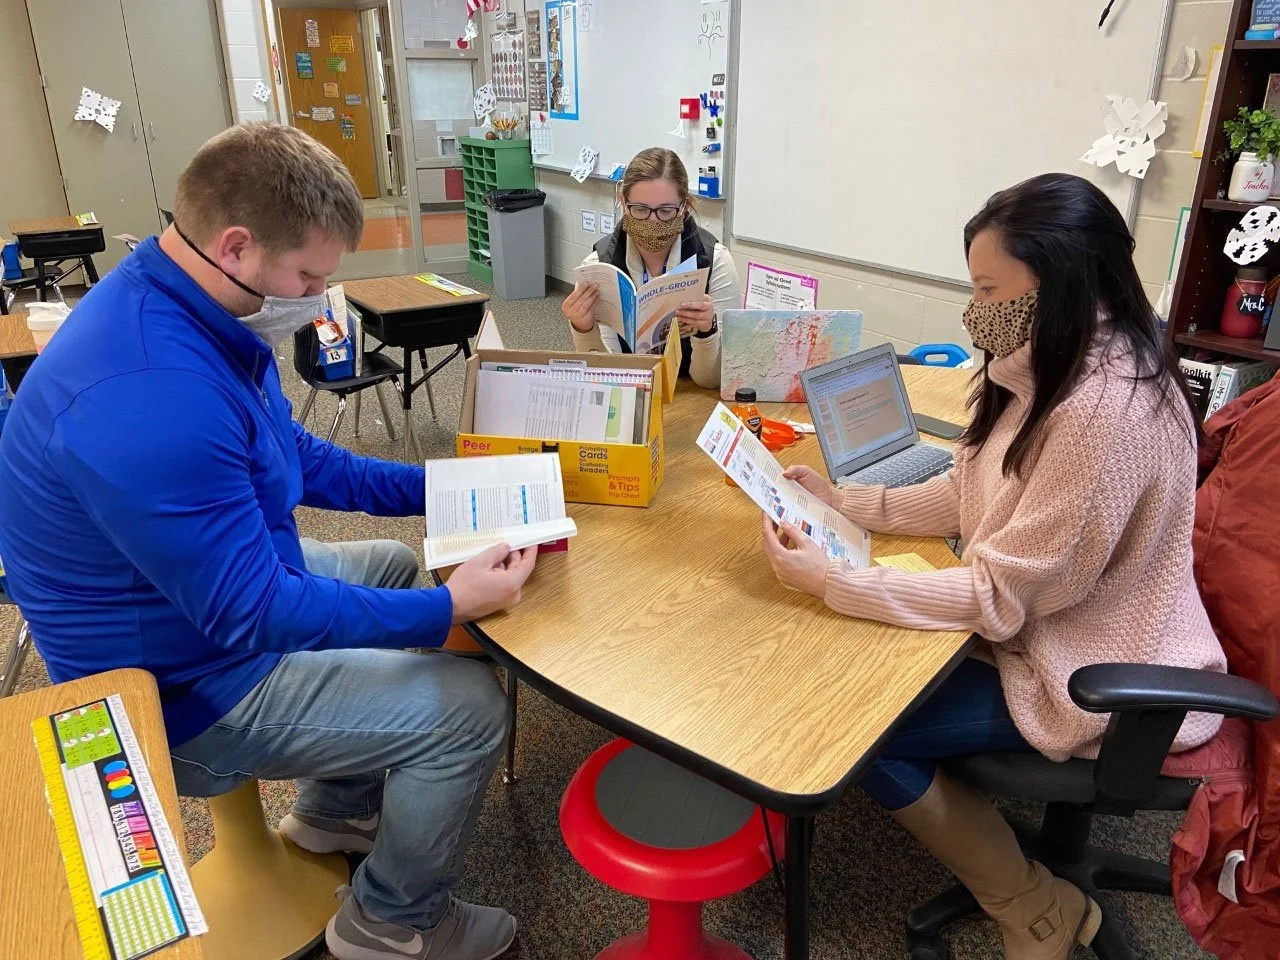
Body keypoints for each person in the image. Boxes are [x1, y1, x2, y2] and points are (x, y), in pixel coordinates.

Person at [0, 123, 534, 960]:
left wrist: (445, 487)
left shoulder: (196, 309)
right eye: (310, 276)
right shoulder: (154, 391)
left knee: (391, 562)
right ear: (237, 246)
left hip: (199, 604)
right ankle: (396, 922)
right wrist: (446, 610)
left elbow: (296, 460)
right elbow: (253, 614)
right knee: (467, 710)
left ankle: (333, 810)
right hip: (177, 692)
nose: (321, 301)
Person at [760, 173, 1227, 960]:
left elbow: (1000, 594)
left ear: (1061, 283)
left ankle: (1034, 906)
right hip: (1048, 623)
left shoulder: (1102, 410)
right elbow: (968, 488)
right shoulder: (1037, 358)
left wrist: (834, 580)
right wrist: (847, 503)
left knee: (863, 735)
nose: (976, 309)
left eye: (989, 288)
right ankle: (1007, 853)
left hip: (1087, 667)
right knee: (871, 674)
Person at [561, 147, 741, 388]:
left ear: (685, 205)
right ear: (624, 203)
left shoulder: (714, 262)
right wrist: (584, 330)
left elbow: (710, 381)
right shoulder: (599, 267)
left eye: (666, 211)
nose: (653, 221)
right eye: (641, 209)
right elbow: (604, 377)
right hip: (629, 392)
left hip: (692, 395)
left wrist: (706, 333)